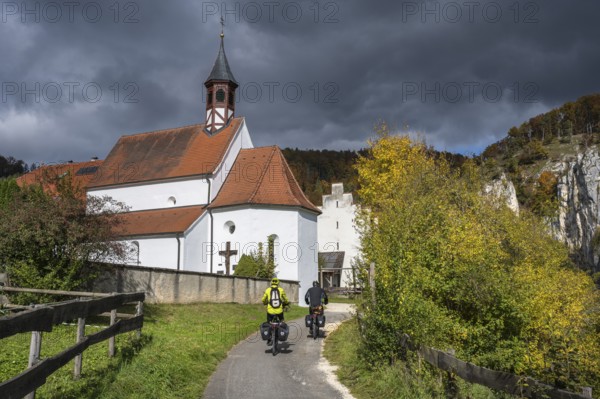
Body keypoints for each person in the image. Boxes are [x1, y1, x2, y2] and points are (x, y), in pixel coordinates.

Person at [262, 277, 290, 344]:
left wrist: (265, 303)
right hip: (279, 311)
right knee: (281, 321)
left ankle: (269, 338)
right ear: (278, 283)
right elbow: (286, 299)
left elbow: (263, 299)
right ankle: (281, 333)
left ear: (271, 283)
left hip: (270, 311)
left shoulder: (268, 290)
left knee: (269, 322)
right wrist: (286, 302)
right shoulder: (281, 290)